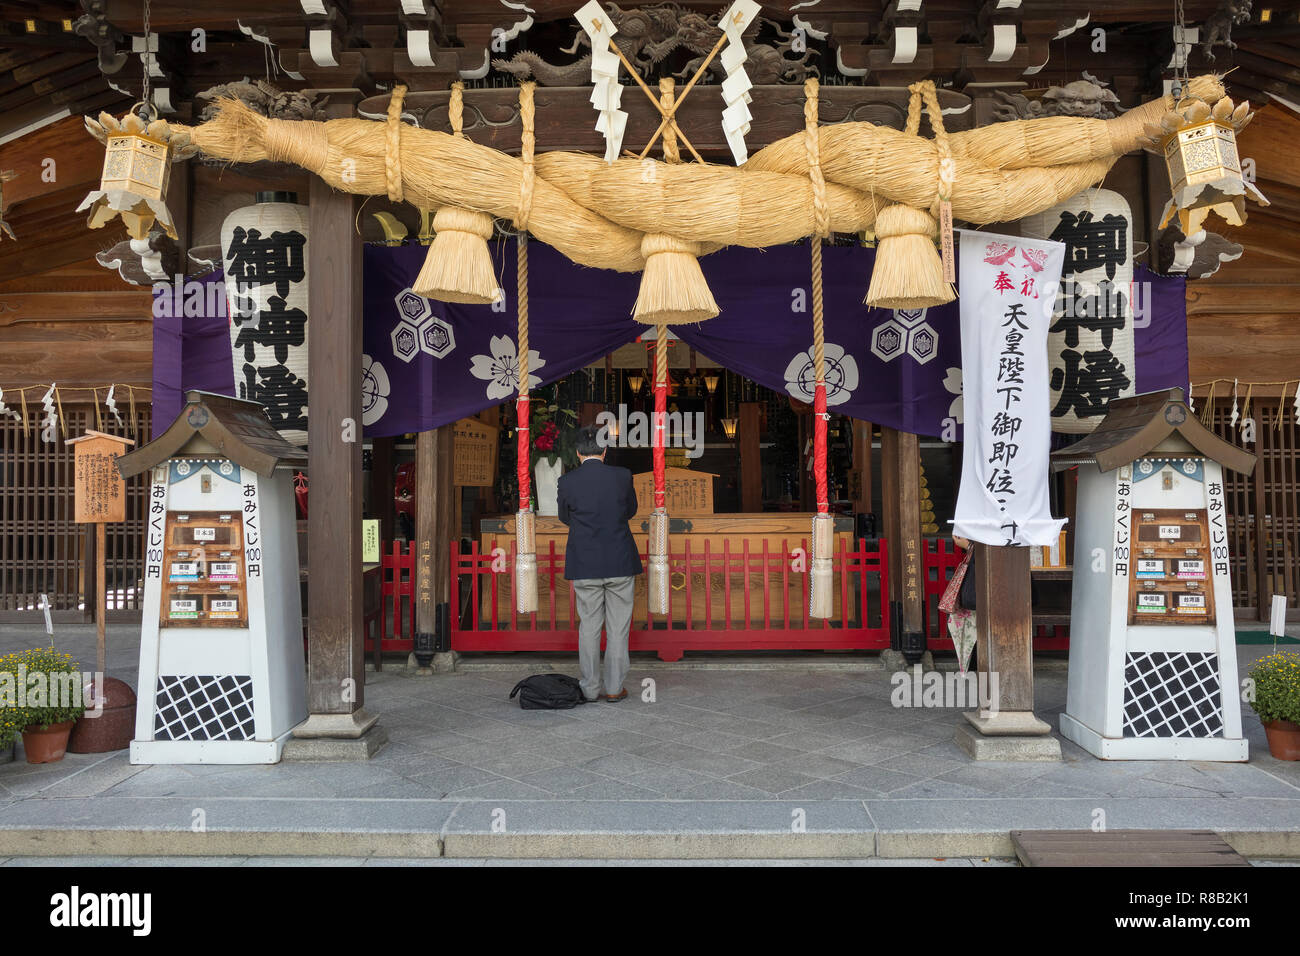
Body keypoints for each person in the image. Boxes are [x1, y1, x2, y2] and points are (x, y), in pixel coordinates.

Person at [556, 425, 642, 702]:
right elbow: (630, 511)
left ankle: (590, 688)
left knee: (590, 626)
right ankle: (615, 688)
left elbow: (565, 517)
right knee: (618, 628)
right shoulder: (622, 476)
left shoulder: (567, 481)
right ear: (605, 451)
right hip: (619, 560)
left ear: (578, 452)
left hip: (585, 561)